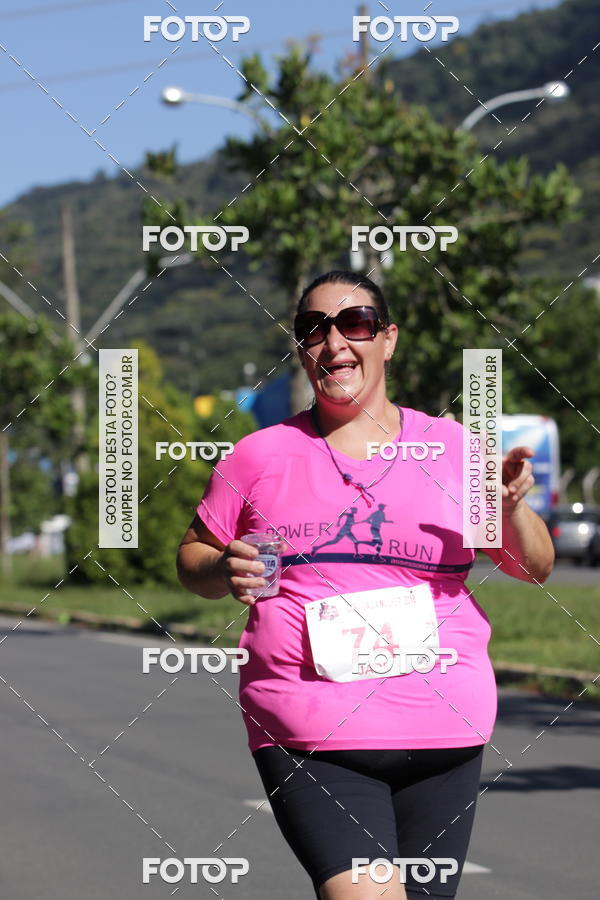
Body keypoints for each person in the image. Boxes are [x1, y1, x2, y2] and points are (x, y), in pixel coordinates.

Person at [176, 270, 554, 900]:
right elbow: (193, 557)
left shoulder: (452, 448)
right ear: (301, 348)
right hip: (311, 731)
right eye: (313, 330)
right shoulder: (259, 455)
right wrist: (222, 569)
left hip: (444, 728)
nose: (334, 344)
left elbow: (533, 565)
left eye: (354, 324)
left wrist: (511, 507)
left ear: (388, 339)